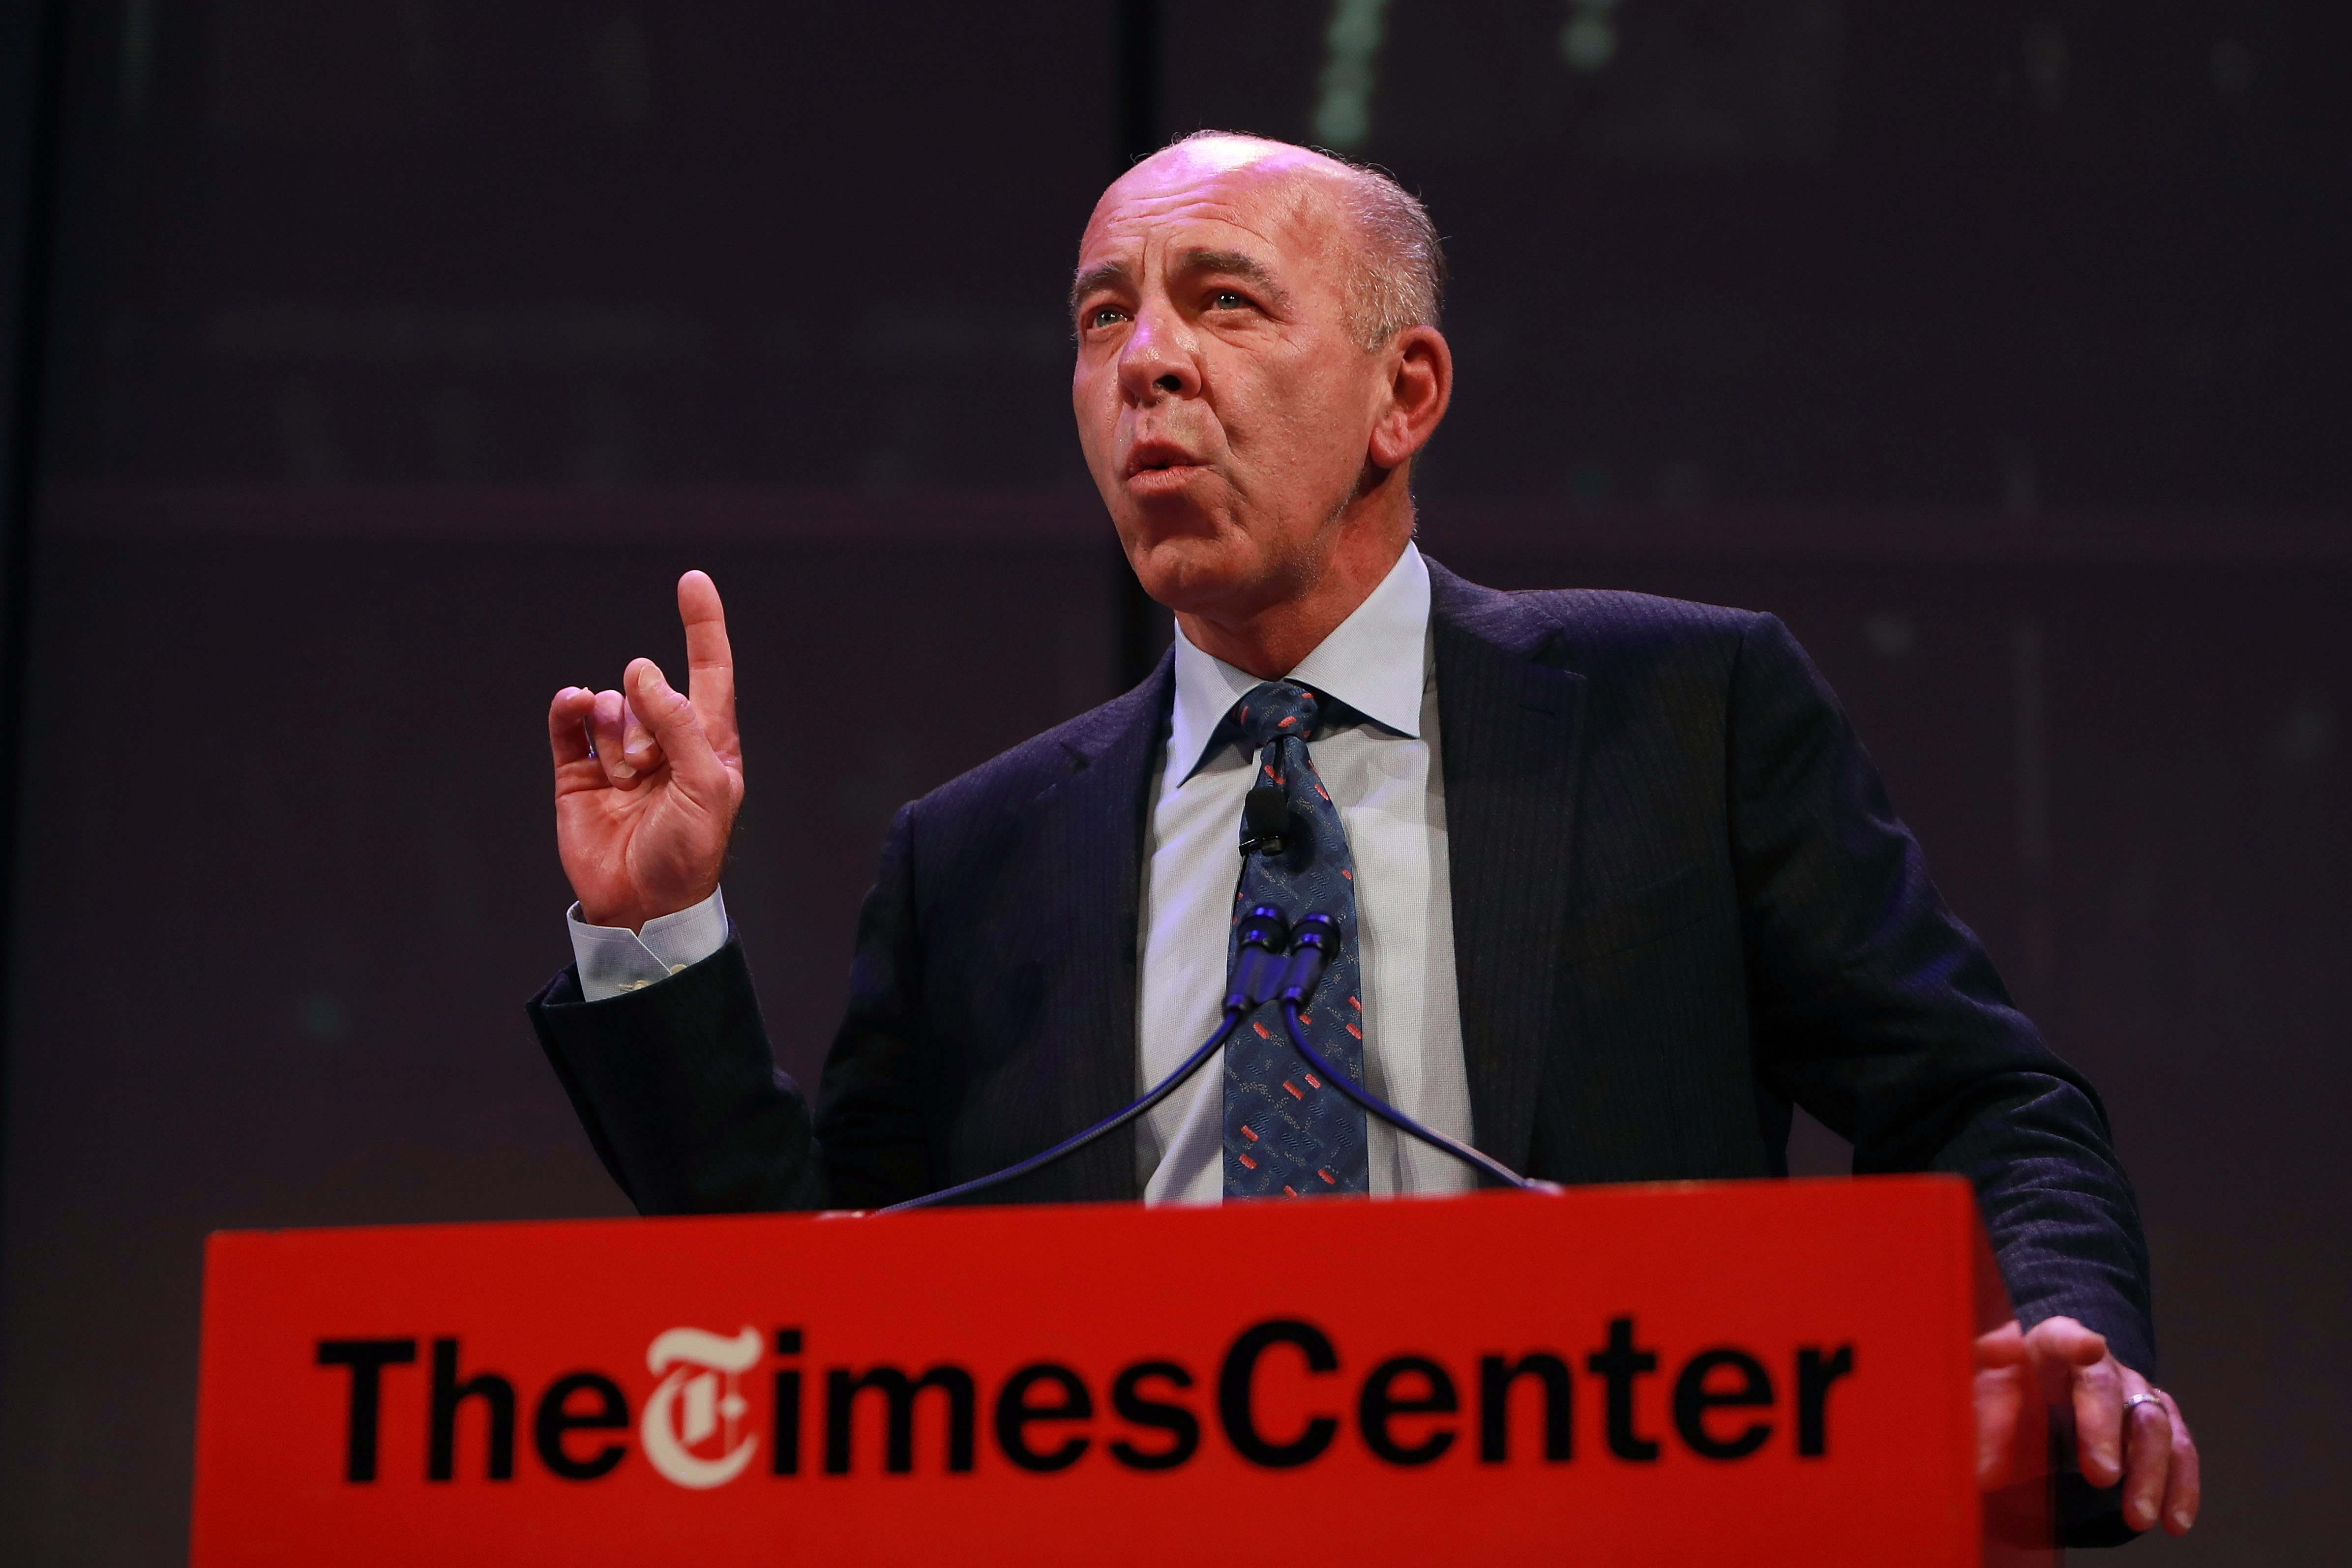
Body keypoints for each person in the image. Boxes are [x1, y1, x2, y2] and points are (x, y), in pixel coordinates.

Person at [528, 133, 2197, 1540]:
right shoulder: (974, 856)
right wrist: (657, 932)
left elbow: (1983, 1097)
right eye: (1103, 318)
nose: (1144, 364)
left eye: (1223, 301)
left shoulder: (1680, 709)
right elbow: (814, 1326)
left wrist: (2059, 1333)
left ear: (1406, 394)